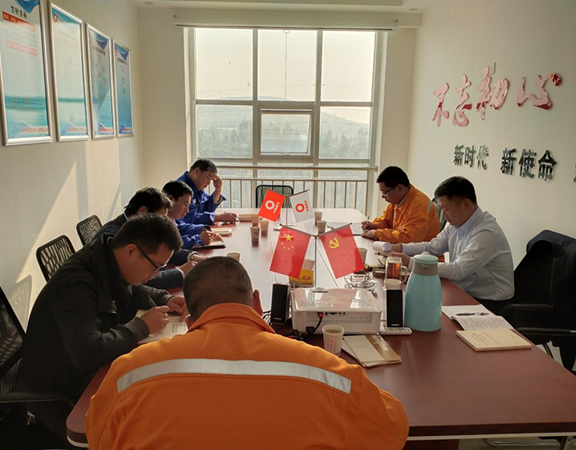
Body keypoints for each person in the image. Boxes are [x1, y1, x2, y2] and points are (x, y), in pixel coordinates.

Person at [85, 257, 409, 450]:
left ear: (189, 321)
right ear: (256, 302)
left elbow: (98, 438)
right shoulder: (328, 372)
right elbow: (392, 429)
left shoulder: (129, 373)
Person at [17, 215, 188, 443]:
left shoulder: (106, 259)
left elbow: (131, 289)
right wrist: (142, 326)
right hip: (60, 397)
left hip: (84, 374)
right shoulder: (76, 285)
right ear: (130, 251)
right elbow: (88, 352)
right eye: (156, 267)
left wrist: (165, 298)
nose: (155, 275)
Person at [391, 176, 514, 313]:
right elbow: (431, 247)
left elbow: (458, 270)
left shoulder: (486, 233)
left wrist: (410, 263)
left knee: (428, 310)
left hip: (490, 304)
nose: (443, 215)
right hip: (464, 292)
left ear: (465, 204)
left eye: (446, 209)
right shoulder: (456, 224)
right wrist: (400, 248)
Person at [93, 187, 203, 289]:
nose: (162, 224)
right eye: (160, 218)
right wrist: (180, 272)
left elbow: (158, 251)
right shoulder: (114, 236)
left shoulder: (137, 228)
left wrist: (191, 257)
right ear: (143, 212)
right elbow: (137, 280)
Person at [362, 166, 440, 244]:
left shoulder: (419, 205)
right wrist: (375, 225)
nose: (382, 196)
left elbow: (408, 238)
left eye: (384, 192)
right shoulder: (397, 200)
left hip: (422, 251)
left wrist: (377, 233)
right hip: (401, 248)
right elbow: (386, 221)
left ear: (399, 188)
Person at [162, 179, 223, 249]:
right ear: (170, 199)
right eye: (185, 204)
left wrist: (200, 229)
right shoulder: (159, 222)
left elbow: (180, 228)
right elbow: (171, 243)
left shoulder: (171, 219)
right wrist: (199, 239)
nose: (187, 210)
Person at [177, 159, 238, 225]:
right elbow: (188, 218)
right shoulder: (180, 187)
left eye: (211, 180)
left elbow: (207, 209)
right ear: (197, 171)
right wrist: (218, 217)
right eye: (208, 178)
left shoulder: (198, 186)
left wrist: (218, 190)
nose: (209, 183)